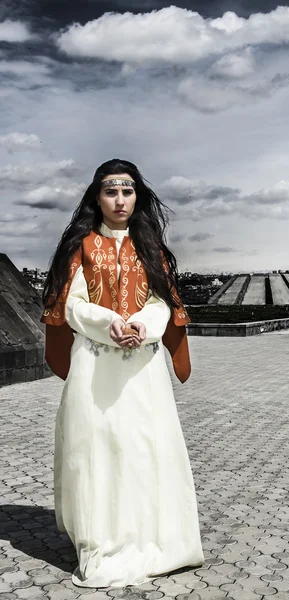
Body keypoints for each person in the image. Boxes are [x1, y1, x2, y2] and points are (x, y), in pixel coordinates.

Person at [40, 158, 204, 588]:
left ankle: (153, 535)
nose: (119, 200)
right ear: (97, 196)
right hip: (93, 365)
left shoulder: (149, 249)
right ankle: (101, 538)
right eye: (111, 191)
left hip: (142, 366)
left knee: (143, 446)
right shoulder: (82, 246)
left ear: (138, 196)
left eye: (127, 191)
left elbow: (162, 303)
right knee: (96, 448)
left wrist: (143, 327)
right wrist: (108, 323)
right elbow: (71, 304)